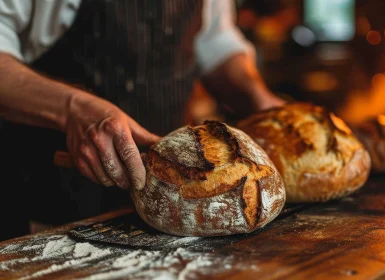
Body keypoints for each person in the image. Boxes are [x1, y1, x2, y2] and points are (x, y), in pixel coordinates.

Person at [0, 0, 285, 240]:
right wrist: (72, 107)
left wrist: (256, 96)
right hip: (52, 206)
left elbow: (214, 39)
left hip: (175, 212)